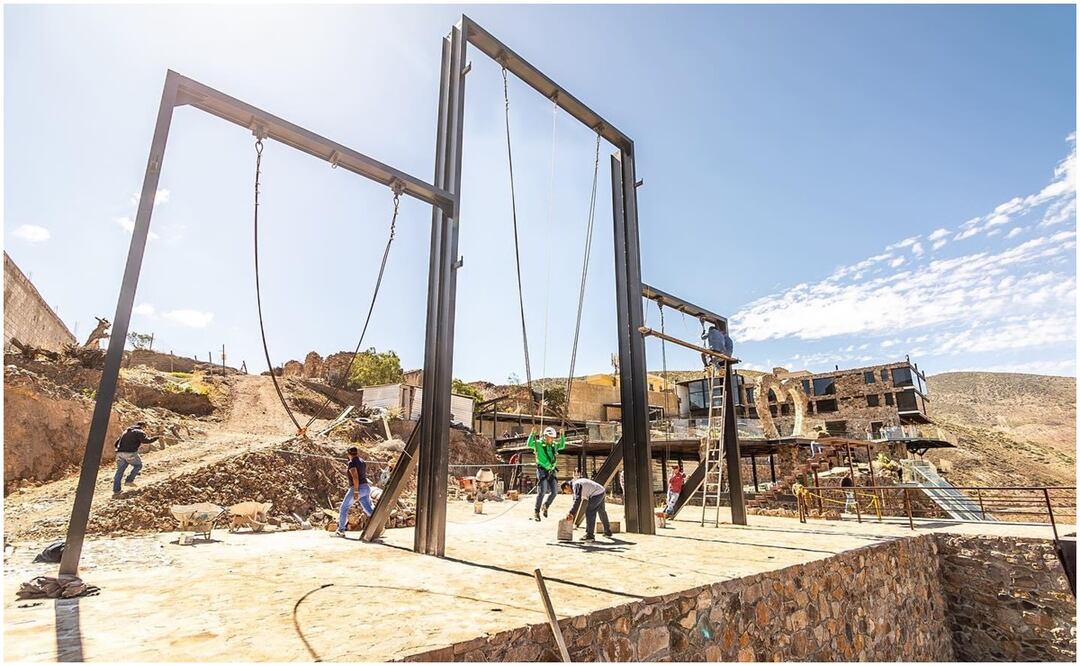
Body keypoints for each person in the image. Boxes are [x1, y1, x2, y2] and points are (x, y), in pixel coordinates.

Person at [527, 426, 565, 521]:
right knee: (542, 491)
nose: (551, 439)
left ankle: (546, 505)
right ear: (545, 436)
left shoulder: (554, 445)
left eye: (552, 438)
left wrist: (562, 436)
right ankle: (536, 511)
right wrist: (532, 434)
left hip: (551, 471)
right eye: (549, 437)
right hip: (542, 470)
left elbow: (562, 445)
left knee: (555, 492)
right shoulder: (538, 444)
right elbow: (529, 444)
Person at [112, 421, 159, 498]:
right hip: (130, 453)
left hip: (119, 453)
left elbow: (116, 444)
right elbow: (146, 441)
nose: (145, 430)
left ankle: (116, 490)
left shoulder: (126, 431)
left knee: (120, 471)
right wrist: (156, 438)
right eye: (145, 428)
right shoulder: (139, 432)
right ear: (143, 426)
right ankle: (129, 481)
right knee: (138, 465)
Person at [336, 447, 375, 536]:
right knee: (368, 509)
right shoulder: (362, 462)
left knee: (344, 508)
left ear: (348, 454)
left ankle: (341, 530)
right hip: (366, 488)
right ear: (356, 453)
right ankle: (378, 525)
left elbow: (355, 477)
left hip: (357, 488)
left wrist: (356, 491)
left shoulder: (352, 463)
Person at [562, 478, 612, 542]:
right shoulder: (575, 484)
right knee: (601, 511)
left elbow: (578, 500)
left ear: (566, 486)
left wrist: (571, 513)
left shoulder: (576, 485)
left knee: (590, 512)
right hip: (601, 490)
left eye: (566, 491)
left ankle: (590, 535)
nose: (568, 493)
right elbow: (575, 501)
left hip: (596, 493)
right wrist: (572, 513)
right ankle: (607, 531)